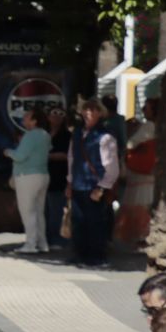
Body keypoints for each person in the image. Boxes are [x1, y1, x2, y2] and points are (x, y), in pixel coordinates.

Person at [68, 98, 118, 266]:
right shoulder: (76, 134)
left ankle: (96, 257)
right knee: (78, 221)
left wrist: (102, 187)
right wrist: (69, 182)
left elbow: (111, 166)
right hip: (78, 184)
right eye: (86, 109)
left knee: (95, 223)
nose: (88, 113)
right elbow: (72, 159)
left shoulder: (105, 137)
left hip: (94, 186)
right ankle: (79, 255)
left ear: (100, 113)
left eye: (93, 110)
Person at [116, 97, 160, 246]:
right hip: (151, 171)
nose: (143, 110)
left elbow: (131, 143)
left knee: (138, 204)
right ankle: (145, 235)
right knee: (147, 203)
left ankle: (141, 235)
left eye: (146, 108)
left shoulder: (148, 126)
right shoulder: (162, 127)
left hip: (139, 172)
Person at [5, 108, 50, 253]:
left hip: (27, 176)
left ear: (34, 121)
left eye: (27, 117)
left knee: (27, 211)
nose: (23, 119)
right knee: (39, 211)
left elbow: (20, 156)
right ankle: (42, 243)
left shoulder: (30, 135)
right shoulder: (45, 135)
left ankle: (30, 244)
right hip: (42, 175)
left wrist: (8, 152)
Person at [45, 104, 72, 247]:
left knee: (56, 208)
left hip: (59, 176)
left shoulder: (66, 135)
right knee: (46, 209)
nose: (56, 116)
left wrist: (48, 156)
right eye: (54, 113)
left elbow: (67, 155)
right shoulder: (44, 133)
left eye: (60, 114)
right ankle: (46, 238)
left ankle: (57, 239)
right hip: (43, 175)